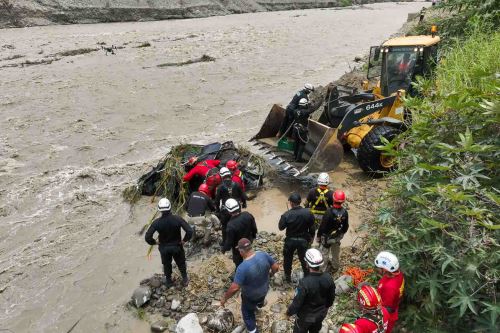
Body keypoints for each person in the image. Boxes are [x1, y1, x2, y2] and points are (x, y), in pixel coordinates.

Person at [221, 238, 279, 333]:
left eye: (239, 250)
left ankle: (253, 331)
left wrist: (224, 299)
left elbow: (234, 288)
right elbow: (276, 267)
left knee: (247, 314)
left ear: (241, 251)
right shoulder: (263, 255)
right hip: (264, 289)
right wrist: (271, 274)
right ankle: (260, 304)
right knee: (259, 299)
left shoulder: (242, 268)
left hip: (250, 296)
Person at [145, 198, 193, 288]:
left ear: (159, 209)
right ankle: (185, 279)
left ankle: (169, 281)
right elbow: (189, 231)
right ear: (170, 208)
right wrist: (184, 240)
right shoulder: (177, 219)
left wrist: (155, 242)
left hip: (164, 248)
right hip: (177, 246)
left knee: (166, 264)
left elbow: (147, 237)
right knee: (181, 263)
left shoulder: (156, 223)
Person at [286, 249, 336, 333]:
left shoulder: (304, 283)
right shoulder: (328, 278)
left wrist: (288, 313)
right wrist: (325, 308)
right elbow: (331, 297)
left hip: (305, 318)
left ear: (307, 264)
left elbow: (297, 303)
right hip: (320, 315)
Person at [279, 192, 316, 283]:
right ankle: (307, 277)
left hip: (290, 241)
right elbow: (312, 228)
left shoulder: (286, 214)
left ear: (291, 203)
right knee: (304, 260)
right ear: (300, 202)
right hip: (303, 240)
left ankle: (288, 278)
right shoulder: (308, 212)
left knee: (287, 260)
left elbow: (281, 227)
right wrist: (311, 237)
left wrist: (286, 217)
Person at [316, 190, 348, 274]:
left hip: (327, 237)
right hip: (337, 236)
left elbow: (323, 226)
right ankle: (335, 266)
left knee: (325, 252)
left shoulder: (329, 212)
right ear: (343, 201)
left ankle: (322, 269)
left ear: (333, 199)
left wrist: (319, 236)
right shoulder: (345, 212)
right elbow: (345, 226)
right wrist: (340, 234)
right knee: (335, 251)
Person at [221, 199, 258, 268]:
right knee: (249, 254)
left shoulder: (230, 225)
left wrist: (224, 249)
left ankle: (241, 272)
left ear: (228, 211)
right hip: (248, 241)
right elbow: (254, 229)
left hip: (238, 247)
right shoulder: (247, 215)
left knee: (238, 261)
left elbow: (229, 242)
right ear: (238, 206)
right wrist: (253, 237)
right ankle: (252, 265)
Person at [215, 167, 247, 244]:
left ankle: (225, 242)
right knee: (238, 223)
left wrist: (218, 211)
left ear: (222, 176)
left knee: (225, 226)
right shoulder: (236, 184)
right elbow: (243, 196)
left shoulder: (220, 187)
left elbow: (217, 200)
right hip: (237, 208)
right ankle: (239, 240)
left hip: (225, 210)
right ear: (229, 175)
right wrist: (244, 204)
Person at [375, 251, 405, 333]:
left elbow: (386, 308)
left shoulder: (389, 287)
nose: (377, 269)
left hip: (387, 316)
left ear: (384, 269)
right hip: (392, 307)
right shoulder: (398, 274)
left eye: (378, 267)